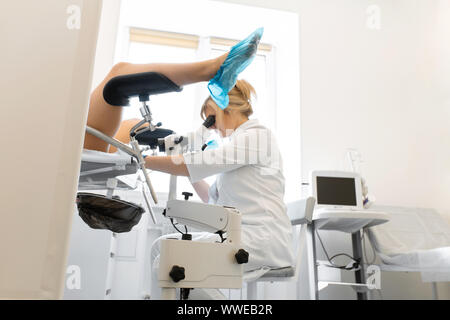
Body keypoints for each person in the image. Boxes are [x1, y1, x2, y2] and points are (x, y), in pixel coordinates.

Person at [84, 28, 294, 298]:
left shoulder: (258, 136)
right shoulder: (241, 146)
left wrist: (144, 161)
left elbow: (198, 163)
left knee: (169, 254)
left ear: (226, 104)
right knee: (164, 249)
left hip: (260, 242)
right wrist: (178, 163)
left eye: (211, 119)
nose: (213, 129)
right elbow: (210, 197)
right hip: (243, 236)